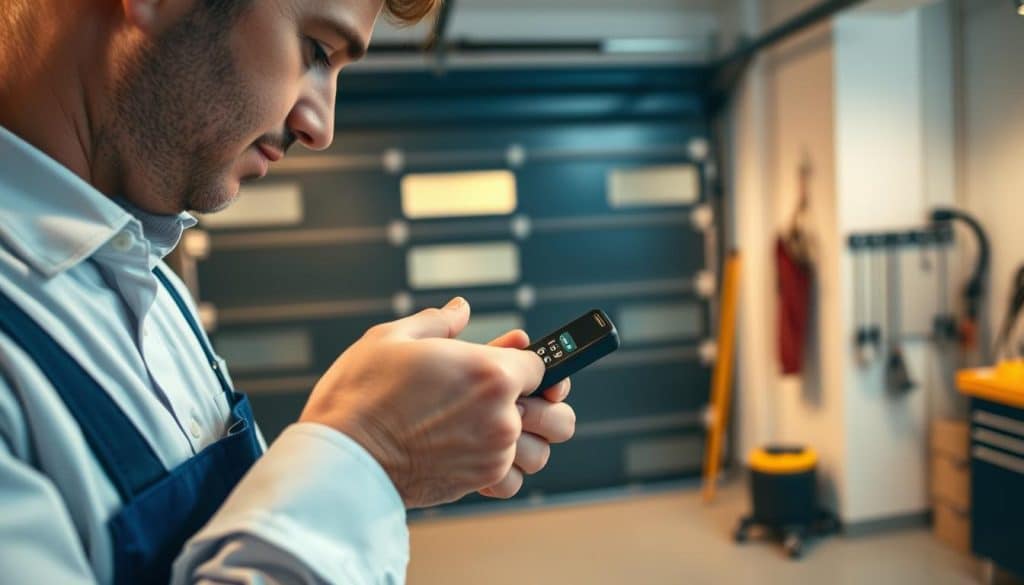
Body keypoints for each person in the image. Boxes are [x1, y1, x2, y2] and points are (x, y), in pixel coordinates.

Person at [0, 0, 577, 583]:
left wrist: (388, 452)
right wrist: (368, 454)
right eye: (318, 52)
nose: (320, 128)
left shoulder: (150, 284)